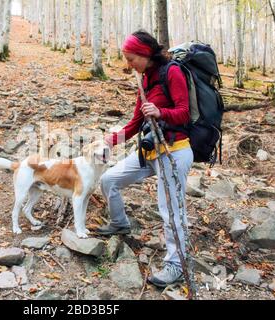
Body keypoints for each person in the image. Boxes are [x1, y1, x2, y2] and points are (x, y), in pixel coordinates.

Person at [95, 30, 193, 287]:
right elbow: (137, 122)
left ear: (145, 53)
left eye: (130, 58)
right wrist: (112, 140)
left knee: (170, 210)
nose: (128, 65)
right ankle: (119, 223)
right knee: (109, 179)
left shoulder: (171, 72)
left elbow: (184, 113)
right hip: (149, 151)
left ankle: (176, 264)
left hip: (174, 152)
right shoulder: (144, 80)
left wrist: (161, 112)